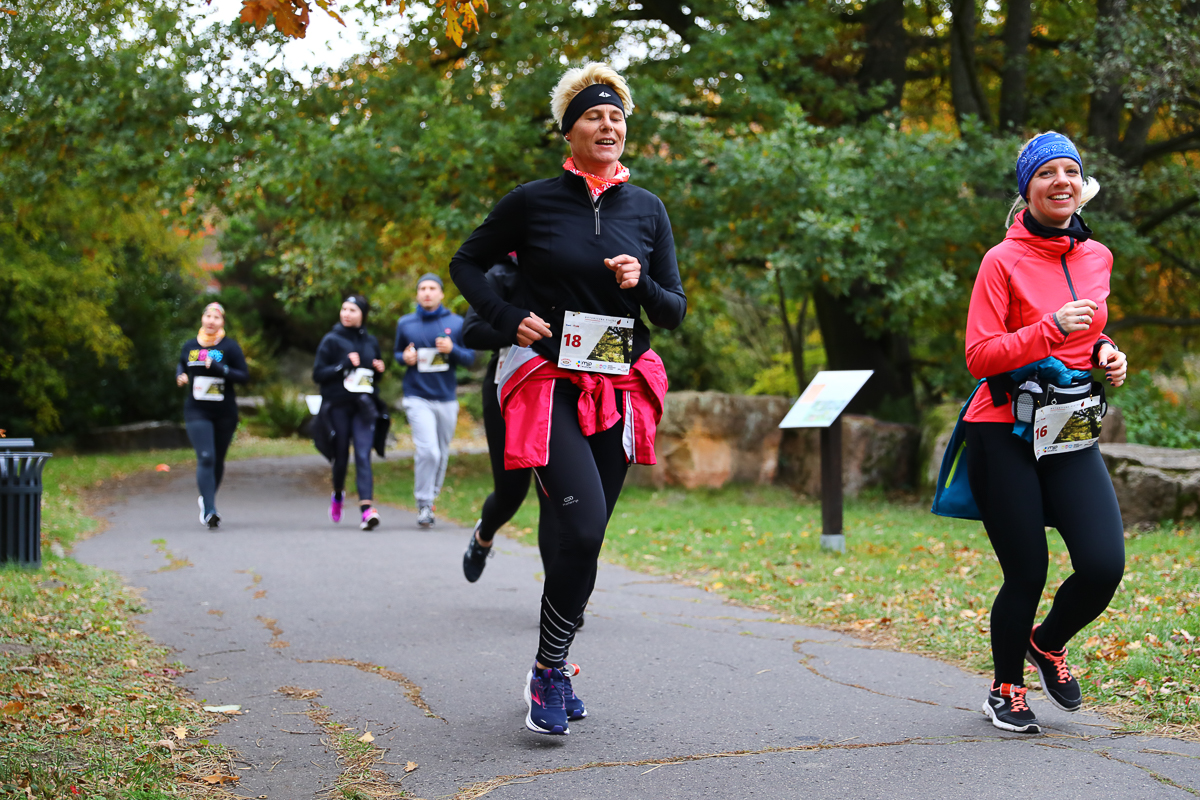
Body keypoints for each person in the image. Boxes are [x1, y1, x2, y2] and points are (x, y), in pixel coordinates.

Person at [449, 63, 686, 736]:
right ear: (570, 129)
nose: (607, 125)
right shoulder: (532, 202)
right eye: (593, 116)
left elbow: (673, 312)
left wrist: (640, 285)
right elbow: (466, 263)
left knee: (577, 543)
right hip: (548, 380)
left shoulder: (649, 211)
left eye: (616, 116)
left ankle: (548, 667)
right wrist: (503, 317)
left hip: (617, 384)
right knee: (580, 528)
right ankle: (551, 675)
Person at [964, 131, 1128, 734]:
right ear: (1026, 189)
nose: (1061, 182)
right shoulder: (1000, 261)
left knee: (1104, 563)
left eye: (1070, 172)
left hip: (1070, 425)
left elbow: (1091, 334)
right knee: (1027, 570)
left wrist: (1110, 354)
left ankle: (1048, 640)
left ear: (1082, 187)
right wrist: (1048, 329)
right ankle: (1005, 688)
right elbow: (980, 355)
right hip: (1002, 428)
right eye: (1046, 174)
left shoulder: (1098, 256)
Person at [459, 255, 544, 582]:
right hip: (506, 391)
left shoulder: (573, 270)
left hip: (562, 392)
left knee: (556, 499)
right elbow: (472, 331)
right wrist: (519, 328)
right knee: (511, 492)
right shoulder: (500, 275)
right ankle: (484, 535)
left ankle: (563, 600)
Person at [394, 274, 475, 528]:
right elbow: (397, 354)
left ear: (441, 294)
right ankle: (424, 503)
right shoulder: (406, 323)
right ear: (417, 294)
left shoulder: (456, 323)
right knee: (428, 451)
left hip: (446, 399)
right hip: (417, 396)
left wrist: (453, 351)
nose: (427, 292)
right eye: (422, 288)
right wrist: (404, 357)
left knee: (440, 453)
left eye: (432, 288)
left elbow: (471, 359)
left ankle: (431, 498)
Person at [313, 295, 387, 531]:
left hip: (363, 406)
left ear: (362, 314)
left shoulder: (370, 341)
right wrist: (342, 364)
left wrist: (379, 369)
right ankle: (337, 494)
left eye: (352, 310)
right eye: (344, 309)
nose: (346, 313)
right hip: (338, 406)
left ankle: (367, 510)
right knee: (341, 456)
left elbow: (370, 378)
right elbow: (318, 374)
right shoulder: (331, 340)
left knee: (363, 454)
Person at [175, 302, 249, 529]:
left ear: (222, 322)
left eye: (216, 318)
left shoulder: (230, 347)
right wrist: (180, 375)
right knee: (206, 457)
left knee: (217, 459)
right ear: (202, 319)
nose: (211, 321)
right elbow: (181, 363)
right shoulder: (190, 346)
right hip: (197, 410)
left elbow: (243, 376)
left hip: (225, 412)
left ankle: (207, 499)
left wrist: (219, 369)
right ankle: (210, 511)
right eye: (207, 316)